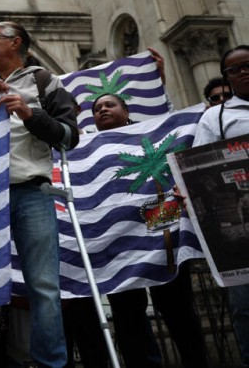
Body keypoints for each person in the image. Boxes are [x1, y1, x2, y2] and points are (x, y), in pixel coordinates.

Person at [0, 21, 79, 368]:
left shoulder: (44, 81)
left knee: (44, 286)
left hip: (31, 194)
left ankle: (51, 363)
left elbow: (68, 136)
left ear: (15, 42)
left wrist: (28, 111)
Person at [90, 93, 210, 368]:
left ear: (126, 109)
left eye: (109, 105)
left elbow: (182, 129)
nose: (103, 110)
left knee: (176, 308)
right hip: (118, 241)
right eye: (97, 108)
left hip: (160, 229)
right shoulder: (88, 148)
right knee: (127, 315)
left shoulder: (154, 136)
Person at [193, 46, 249, 367]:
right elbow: (200, 167)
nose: (242, 72)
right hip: (240, 226)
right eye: (234, 70)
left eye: (247, 66)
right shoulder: (217, 116)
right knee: (245, 307)